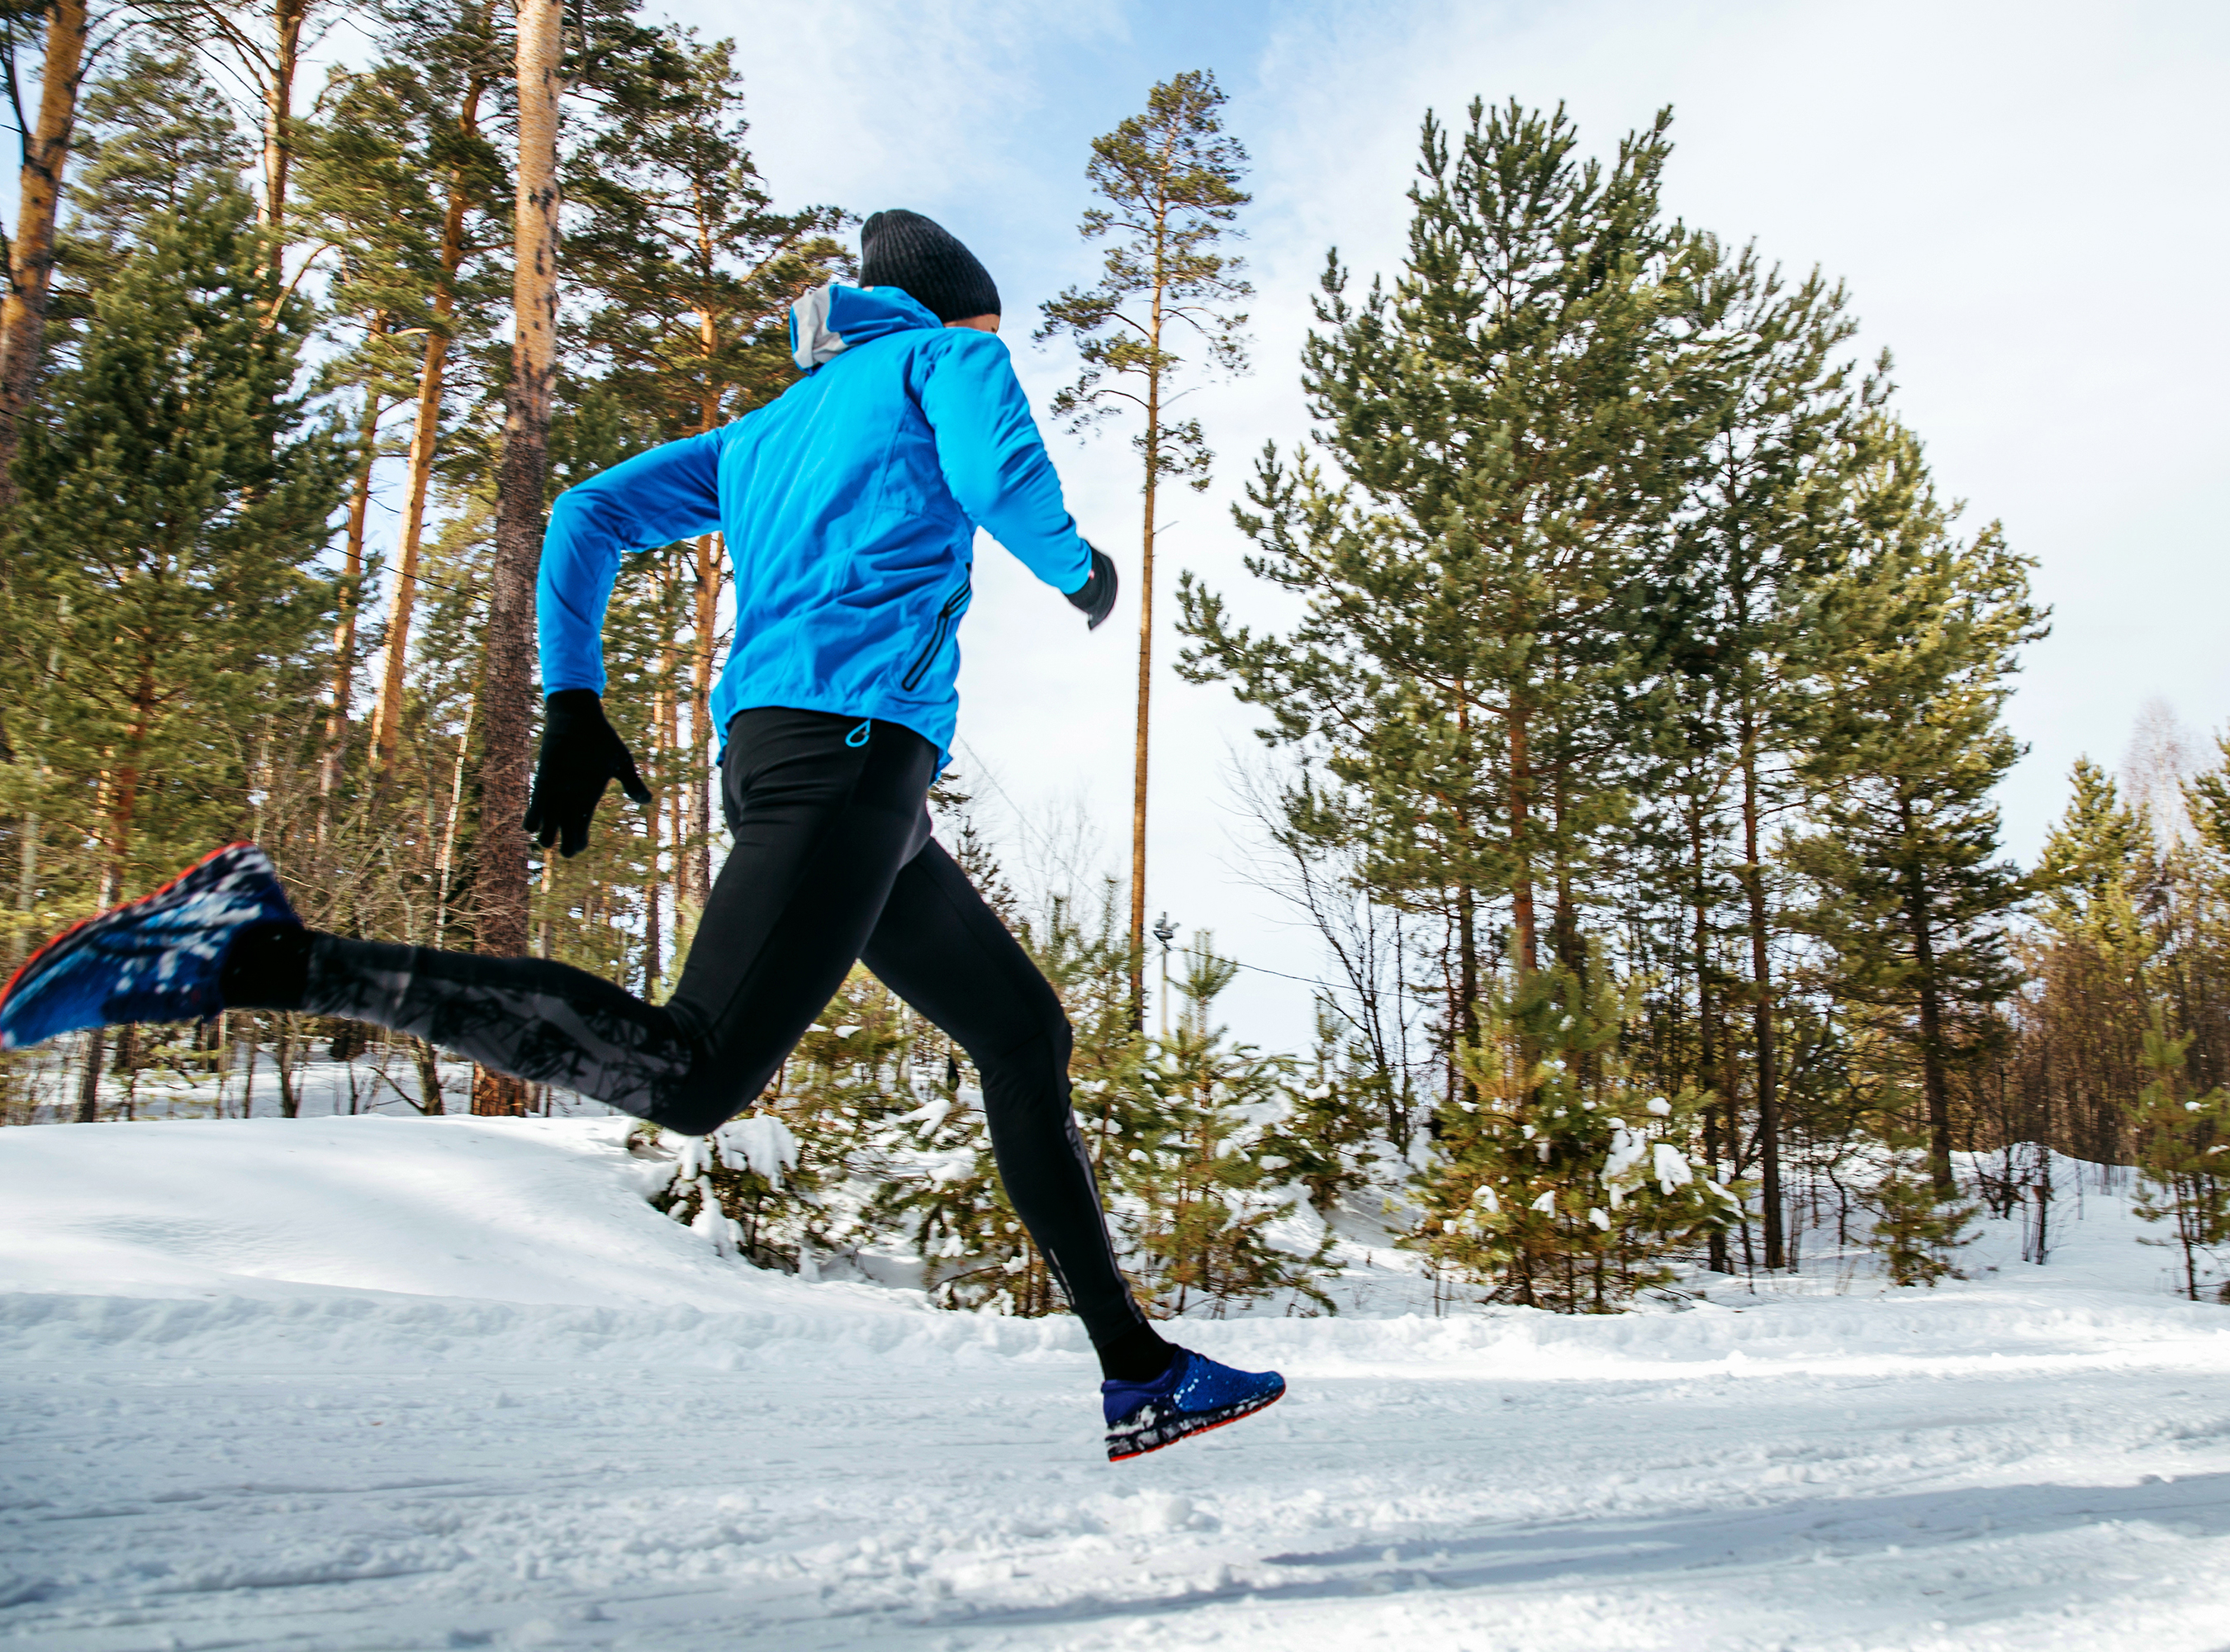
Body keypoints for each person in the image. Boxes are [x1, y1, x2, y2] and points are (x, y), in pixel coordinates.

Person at [0, 209, 1283, 1464]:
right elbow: (997, 470)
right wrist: (1077, 569)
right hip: (845, 765)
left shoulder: (761, 431)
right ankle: (264, 955)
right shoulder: (949, 354)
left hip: (835, 781)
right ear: (957, 308)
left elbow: (586, 517)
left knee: (1020, 1032)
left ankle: (1138, 1373)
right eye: (991, 327)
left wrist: (574, 696)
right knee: (693, 1073)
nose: (996, 348)